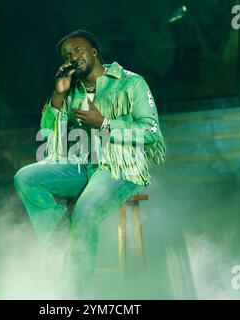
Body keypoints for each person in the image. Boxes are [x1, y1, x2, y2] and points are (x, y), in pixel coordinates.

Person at [14, 29, 165, 296]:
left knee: (85, 210)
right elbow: (48, 135)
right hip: (84, 164)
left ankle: (76, 293)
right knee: (26, 178)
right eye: (67, 55)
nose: (72, 57)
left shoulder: (131, 83)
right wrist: (59, 94)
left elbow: (151, 133)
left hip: (121, 167)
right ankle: (61, 247)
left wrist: (105, 124)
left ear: (94, 52)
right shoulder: (73, 92)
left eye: (78, 50)